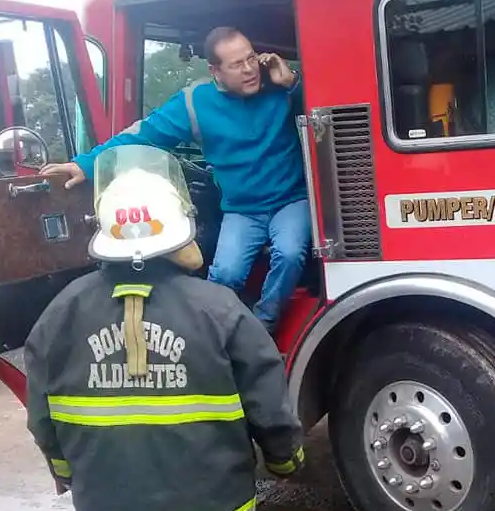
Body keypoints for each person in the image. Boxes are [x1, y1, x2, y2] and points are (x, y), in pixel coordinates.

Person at [25, 143, 305, 511]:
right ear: (180, 230)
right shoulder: (222, 309)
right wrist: (285, 459)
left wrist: (63, 469)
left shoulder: (61, 313)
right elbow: (269, 404)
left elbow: (43, 414)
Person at [41, 26, 310, 334]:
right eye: (237, 64)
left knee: (290, 254)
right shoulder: (196, 102)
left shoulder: (280, 87)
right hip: (242, 209)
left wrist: (292, 82)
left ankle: (264, 325)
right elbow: (143, 135)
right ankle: (212, 335)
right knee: (225, 274)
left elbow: (326, 112)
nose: (249, 69)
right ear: (215, 71)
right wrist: (85, 165)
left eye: (251, 58)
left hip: (292, 199)